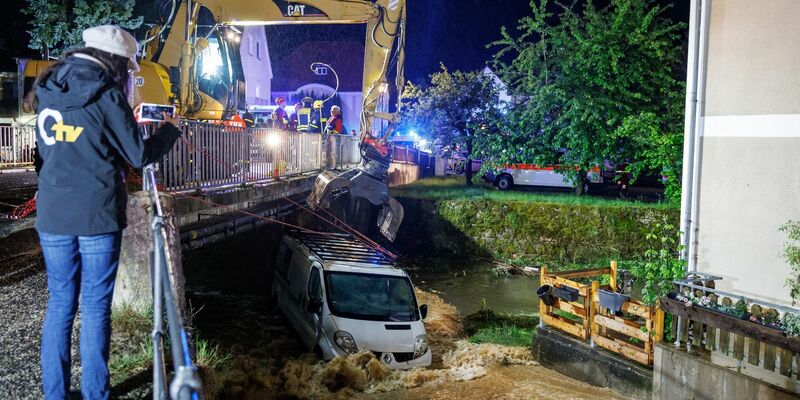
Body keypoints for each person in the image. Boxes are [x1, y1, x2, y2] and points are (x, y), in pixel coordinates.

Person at [32, 25, 181, 400]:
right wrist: (171, 130)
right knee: (96, 307)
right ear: (114, 62)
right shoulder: (107, 95)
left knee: (60, 303)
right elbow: (138, 155)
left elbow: (46, 154)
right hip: (97, 214)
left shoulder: (48, 89)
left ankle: (55, 393)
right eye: (127, 69)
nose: (127, 76)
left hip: (53, 213)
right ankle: (96, 393)